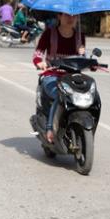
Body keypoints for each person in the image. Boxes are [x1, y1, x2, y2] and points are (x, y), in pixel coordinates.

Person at [32, 12, 86, 143]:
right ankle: (50, 129)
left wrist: (85, 56)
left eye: (74, 16)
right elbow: (37, 54)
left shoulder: (80, 37)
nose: (71, 18)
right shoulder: (49, 34)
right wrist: (40, 62)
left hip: (72, 77)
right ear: (59, 16)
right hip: (52, 75)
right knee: (60, 94)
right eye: (67, 15)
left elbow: (82, 60)